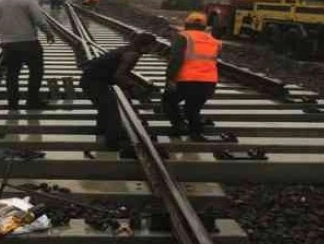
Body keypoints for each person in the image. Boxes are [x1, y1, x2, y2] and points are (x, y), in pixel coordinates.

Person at [0, 0, 56, 110]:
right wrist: (48, 33)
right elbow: (39, 20)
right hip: (29, 42)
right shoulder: (29, 1)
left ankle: (13, 103)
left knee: (12, 73)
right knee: (36, 71)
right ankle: (32, 101)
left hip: (9, 44)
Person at [80, 33, 157, 149]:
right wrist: (134, 86)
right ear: (145, 45)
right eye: (152, 46)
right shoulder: (132, 55)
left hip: (91, 80)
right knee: (112, 112)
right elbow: (119, 76)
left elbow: (122, 72)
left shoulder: (128, 49)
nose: (153, 49)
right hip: (94, 82)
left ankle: (101, 132)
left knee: (105, 108)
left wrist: (139, 83)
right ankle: (112, 144)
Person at [162, 12, 222, 142]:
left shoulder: (183, 37)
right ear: (205, 27)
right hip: (208, 82)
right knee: (193, 108)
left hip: (186, 80)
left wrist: (170, 78)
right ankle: (196, 133)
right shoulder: (214, 41)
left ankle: (179, 126)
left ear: (186, 24)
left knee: (168, 101)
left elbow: (176, 59)